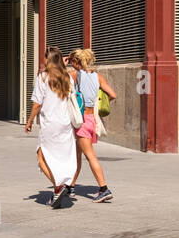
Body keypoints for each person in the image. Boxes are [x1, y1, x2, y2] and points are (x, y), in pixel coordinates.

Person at [24, 46, 78, 207]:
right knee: (60, 156)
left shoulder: (43, 77)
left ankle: (58, 186)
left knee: (41, 157)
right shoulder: (67, 77)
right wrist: (63, 65)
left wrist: (29, 121)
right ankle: (57, 192)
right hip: (65, 124)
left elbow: (37, 104)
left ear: (48, 59)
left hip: (49, 124)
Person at [68, 48, 117, 203]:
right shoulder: (98, 77)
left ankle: (103, 188)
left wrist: (62, 64)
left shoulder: (74, 75)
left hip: (80, 120)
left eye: (71, 61)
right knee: (77, 155)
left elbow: (56, 79)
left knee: (90, 156)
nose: (70, 64)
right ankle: (70, 187)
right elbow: (113, 95)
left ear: (76, 61)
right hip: (91, 119)